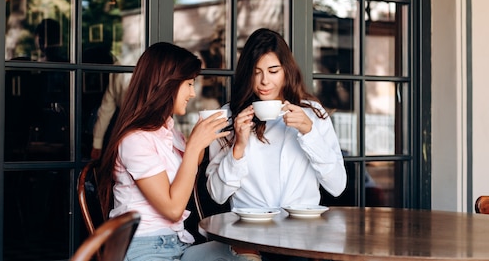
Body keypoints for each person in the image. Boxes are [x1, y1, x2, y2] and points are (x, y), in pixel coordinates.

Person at [204, 28, 347, 260]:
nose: (264, 81)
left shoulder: (312, 113)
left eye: (273, 71)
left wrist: (309, 133)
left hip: (304, 238)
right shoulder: (229, 117)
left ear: (286, 71)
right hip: (250, 240)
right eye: (256, 72)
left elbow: (337, 186)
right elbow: (217, 195)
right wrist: (238, 146)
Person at [97, 42, 242, 261]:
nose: (193, 93)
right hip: (141, 247)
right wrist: (194, 146)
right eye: (189, 84)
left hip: (176, 243)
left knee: (243, 252)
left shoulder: (168, 130)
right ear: (167, 85)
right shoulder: (134, 140)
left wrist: (202, 138)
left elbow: (191, 164)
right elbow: (173, 209)